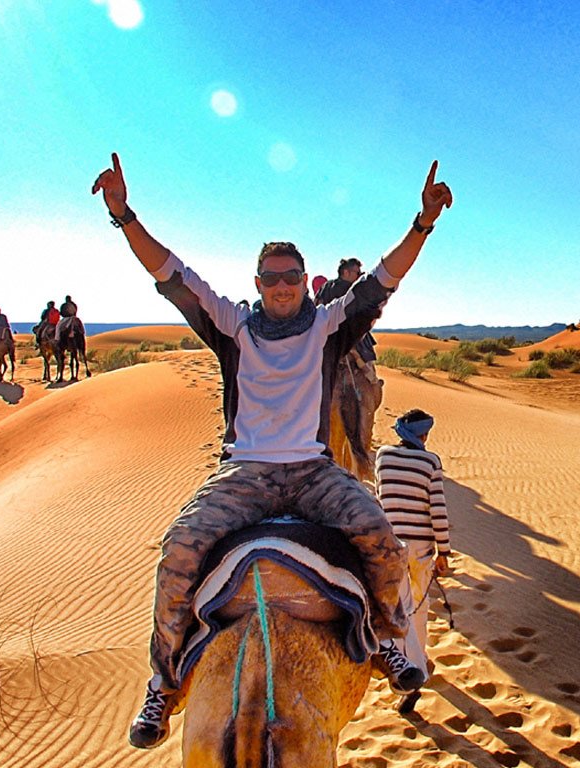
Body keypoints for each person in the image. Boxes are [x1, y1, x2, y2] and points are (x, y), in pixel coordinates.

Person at [90, 151, 453, 749]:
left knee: (381, 538)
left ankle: (387, 639)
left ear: (303, 281)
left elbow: (385, 278)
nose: (282, 287)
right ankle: (164, 682)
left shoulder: (328, 326)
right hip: (246, 474)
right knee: (178, 552)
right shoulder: (232, 325)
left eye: (291, 277)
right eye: (271, 278)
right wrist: (123, 214)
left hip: (313, 473)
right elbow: (170, 274)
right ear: (257, 284)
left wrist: (422, 224)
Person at [374, 409, 451, 711]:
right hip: (419, 550)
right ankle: (417, 668)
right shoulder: (430, 461)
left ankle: (404, 663)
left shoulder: (382, 456)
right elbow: (438, 511)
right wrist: (444, 551)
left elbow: (380, 498)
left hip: (388, 546)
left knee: (396, 609)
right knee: (418, 607)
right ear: (423, 436)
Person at [316, 257, 385, 480]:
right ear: (346, 273)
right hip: (350, 343)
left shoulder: (324, 290)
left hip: (325, 345)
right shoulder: (350, 290)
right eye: (356, 271)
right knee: (371, 379)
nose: (358, 275)